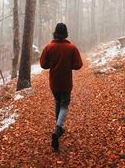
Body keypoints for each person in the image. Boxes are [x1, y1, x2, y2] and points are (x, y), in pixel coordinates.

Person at [40, 23, 83, 152]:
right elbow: (78, 65)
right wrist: (68, 63)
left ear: (55, 33)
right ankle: (58, 130)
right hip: (66, 83)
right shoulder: (72, 48)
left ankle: (58, 127)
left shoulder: (48, 47)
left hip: (54, 82)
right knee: (64, 105)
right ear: (66, 33)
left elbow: (43, 65)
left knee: (58, 102)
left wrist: (53, 63)